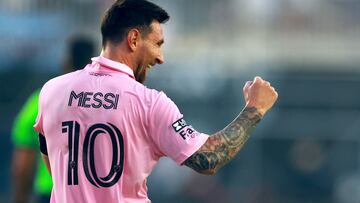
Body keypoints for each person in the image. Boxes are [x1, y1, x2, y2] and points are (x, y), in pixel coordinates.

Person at [33, 0, 278, 202]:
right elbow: (208, 159)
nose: (160, 57)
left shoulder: (52, 91)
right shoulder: (148, 102)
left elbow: (51, 161)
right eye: (157, 44)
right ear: (134, 39)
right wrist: (255, 109)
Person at [11, 36, 95, 203]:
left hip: (51, 192)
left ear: (66, 63)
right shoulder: (108, 104)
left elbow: (22, 166)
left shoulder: (41, 100)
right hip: (95, 194)